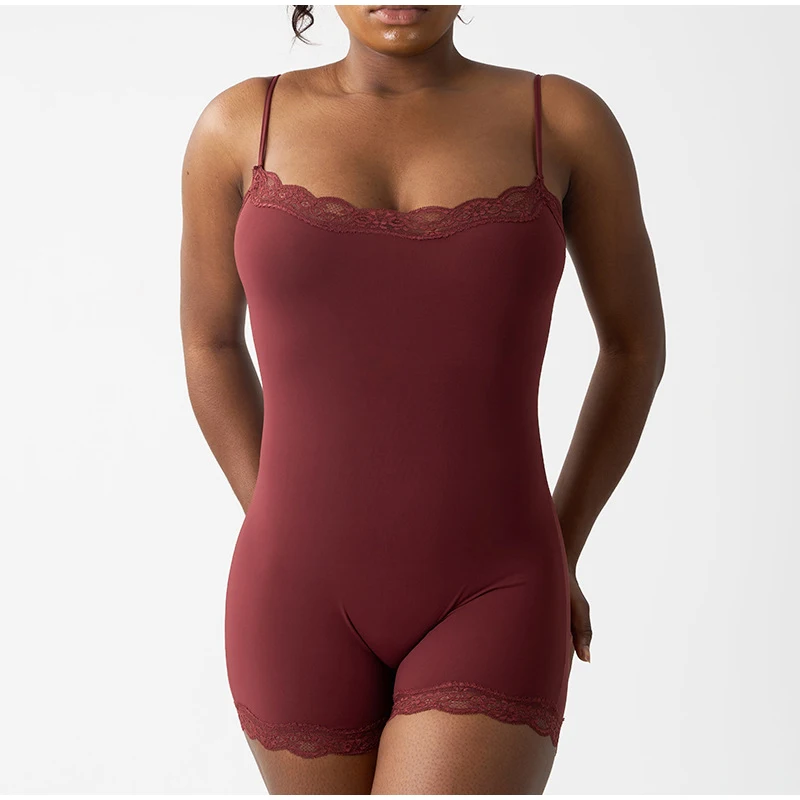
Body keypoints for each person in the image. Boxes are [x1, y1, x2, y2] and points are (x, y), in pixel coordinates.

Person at [180, 4, 666, 794]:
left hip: (497, 587)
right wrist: (275, 517)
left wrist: (562, 543)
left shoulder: (562, 121)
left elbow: (634, 348)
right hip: (293, 593)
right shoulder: (239, 127)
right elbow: (209, 344)